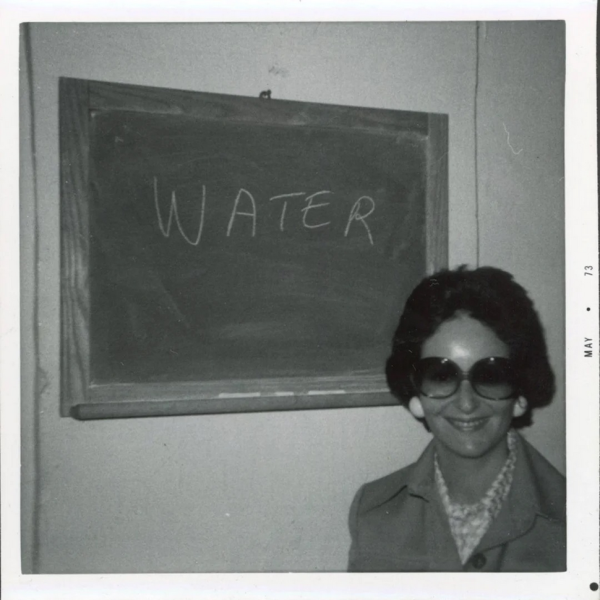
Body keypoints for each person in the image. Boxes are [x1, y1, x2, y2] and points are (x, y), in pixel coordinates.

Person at [348, 266, 566, 572]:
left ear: (519, 393)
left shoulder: (581, 519)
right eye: (441, 375)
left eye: (490, 376)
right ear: (416, 393)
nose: (466, 403)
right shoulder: (372, 514)